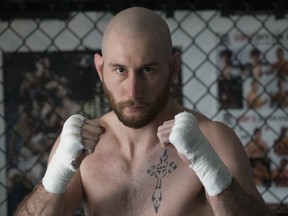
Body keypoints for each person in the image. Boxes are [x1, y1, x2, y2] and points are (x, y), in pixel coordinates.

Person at [15, 7, 274, 216]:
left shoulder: (213, 140)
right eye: (120, 70)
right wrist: (57, 174)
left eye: (147, 70)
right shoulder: (78, 148)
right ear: (99, 69)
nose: (133, 91)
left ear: (173, 68)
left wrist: (209, 168)